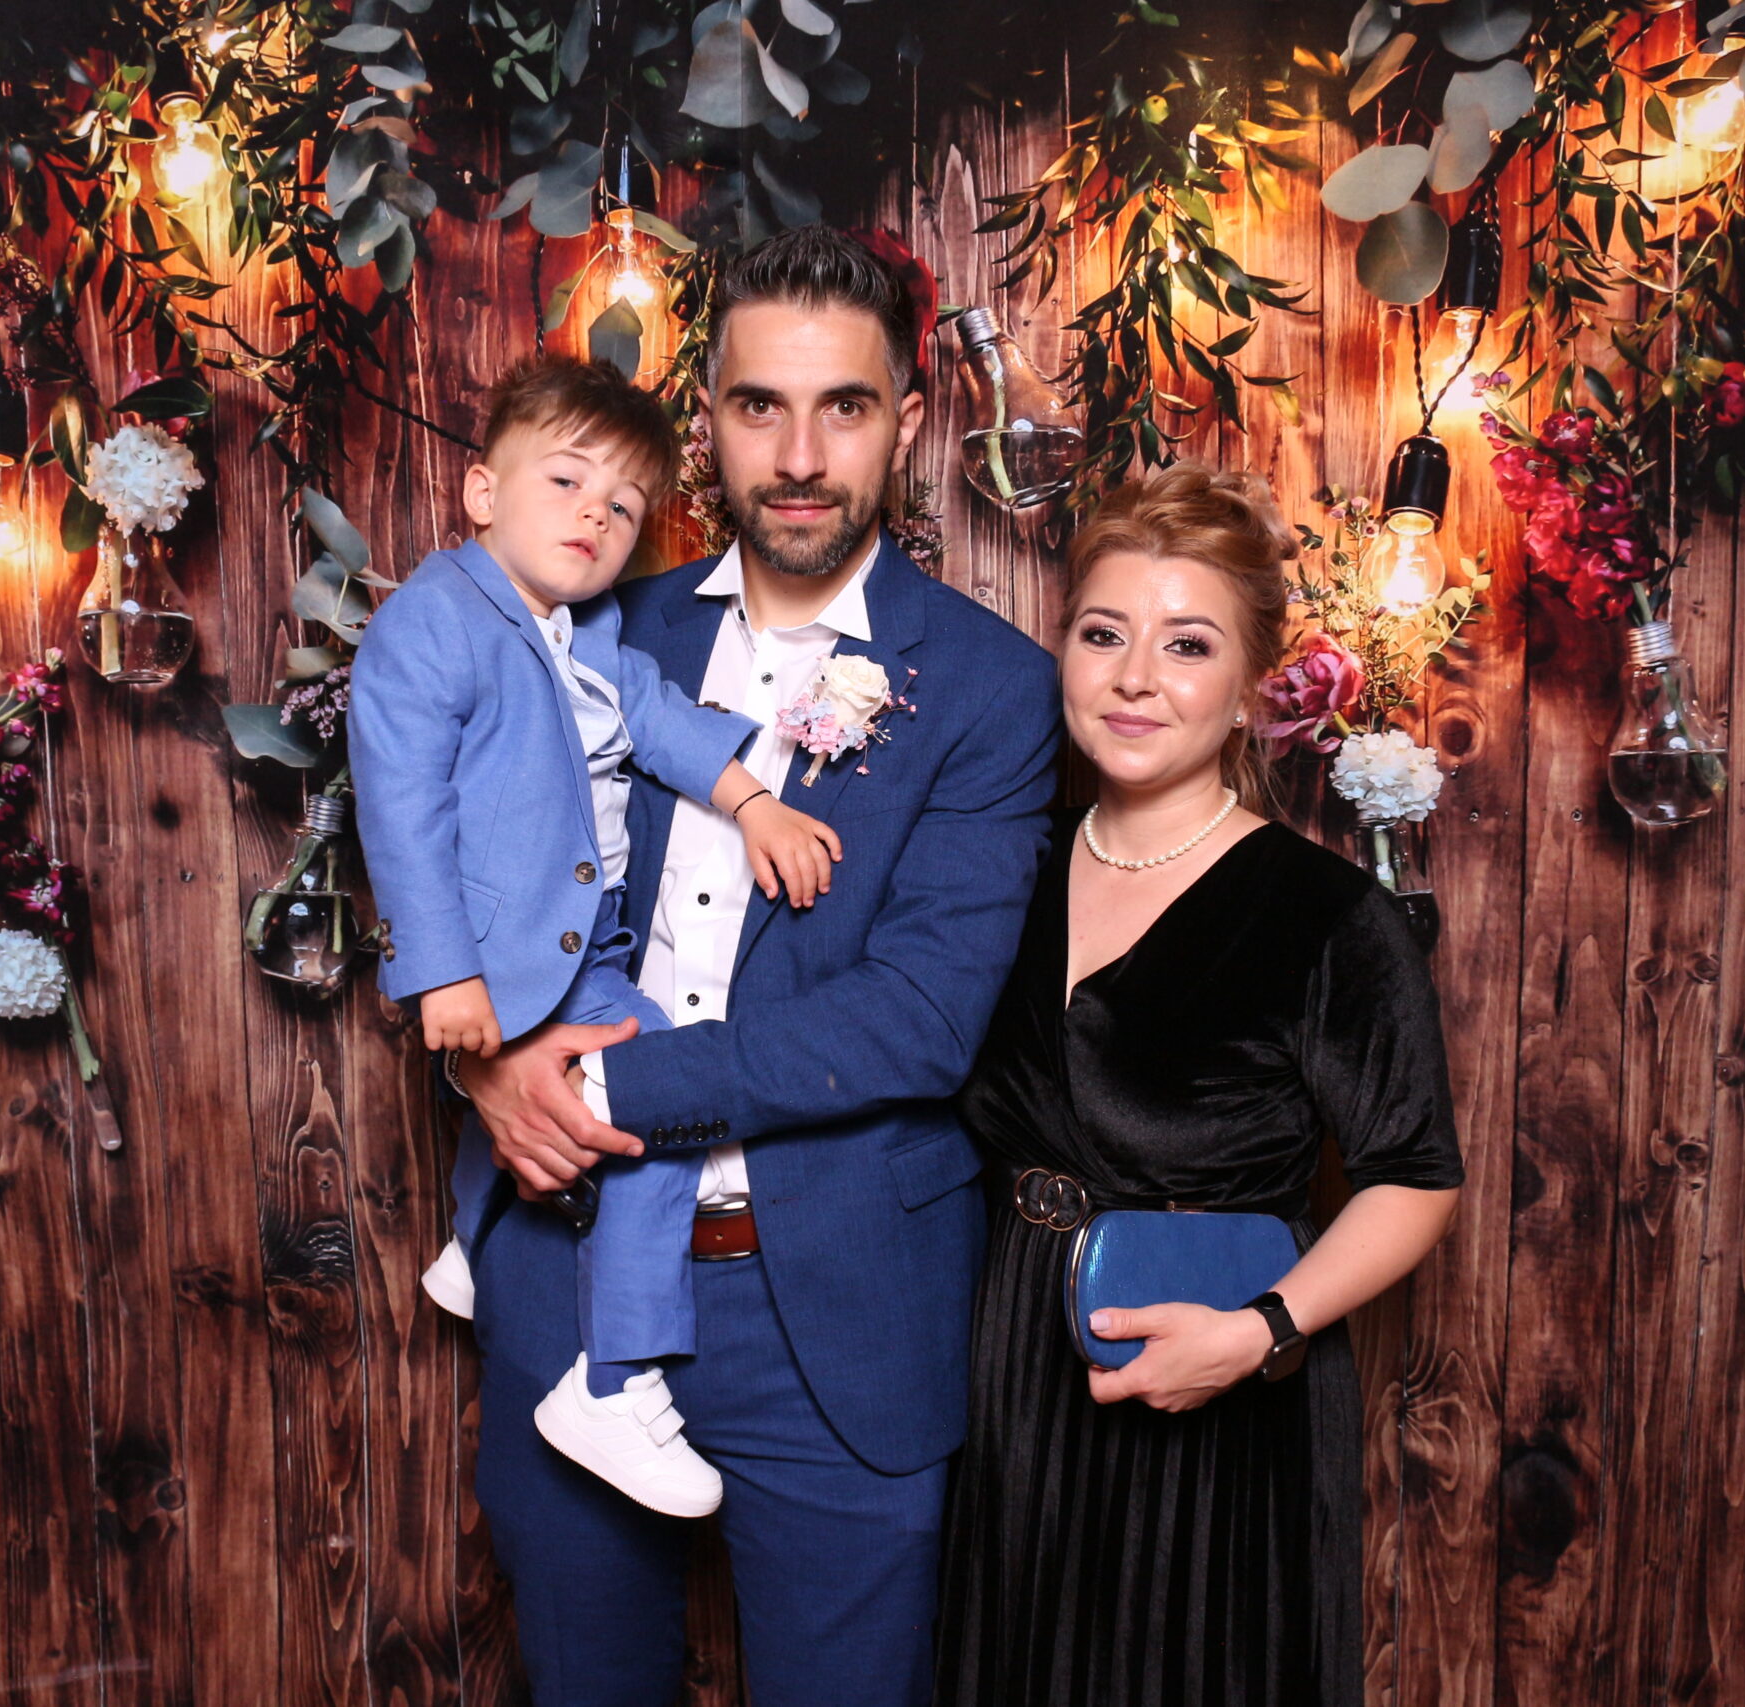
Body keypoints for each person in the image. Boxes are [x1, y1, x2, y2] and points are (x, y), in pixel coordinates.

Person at [452, 227, 1062, 1707]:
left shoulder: (992, 686)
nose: (797, 457)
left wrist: (596, 1084)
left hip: (836, 1310)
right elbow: (469, 862)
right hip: (568, 1270)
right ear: (705, 420)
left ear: (905, 421)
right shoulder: (595, 627)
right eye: (757, 407)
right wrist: (486, 1064)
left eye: (842, 407)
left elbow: (917, 1020)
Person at [933, 461, 1466, 1707]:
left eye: (1186, 645)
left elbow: (1413, 1178)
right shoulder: (1000, 869)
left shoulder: (1325, 915)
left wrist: (1255, 1333)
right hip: (1011, 1375)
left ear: (1249, 693)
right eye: (1101, 634)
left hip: (1216, 1403)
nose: (1134, 677)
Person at [348, 353, 845, 1519]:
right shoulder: (433, 622)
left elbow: (660, 721)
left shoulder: (587, 630)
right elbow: (401, 806)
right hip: (511, 952)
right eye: (566, 483)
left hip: (587, 944)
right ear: (482, 492)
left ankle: (469, 1249)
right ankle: (613, 1383)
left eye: (623, 507)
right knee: (658, 1111)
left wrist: (754, 804)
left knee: (570, 1099)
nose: (594, 517)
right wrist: (445, 974)